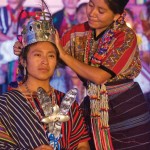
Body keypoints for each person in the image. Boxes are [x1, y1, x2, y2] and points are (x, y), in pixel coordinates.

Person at [13, 0, 150, 149]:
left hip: (127, 112)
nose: (92, 13)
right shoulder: (76, 32)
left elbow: (99, 77)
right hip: (93, 110)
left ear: (117, 16)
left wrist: (64, 55)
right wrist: (25, 46)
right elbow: (49, 52)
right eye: (91, 5)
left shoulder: (125, 36)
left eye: (101, 11)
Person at [0, 9, 90, 150]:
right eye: (37, 55)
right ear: (23, 60)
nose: (45, 61)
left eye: (51, 56)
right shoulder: (6, 104)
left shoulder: (67, 103)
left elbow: (83, 145)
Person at [0, 0, 41, 94]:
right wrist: (10, 38)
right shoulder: (1, 11)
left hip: (21, 51)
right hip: (3, 51)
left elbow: (33, 31)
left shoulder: (31, 11)